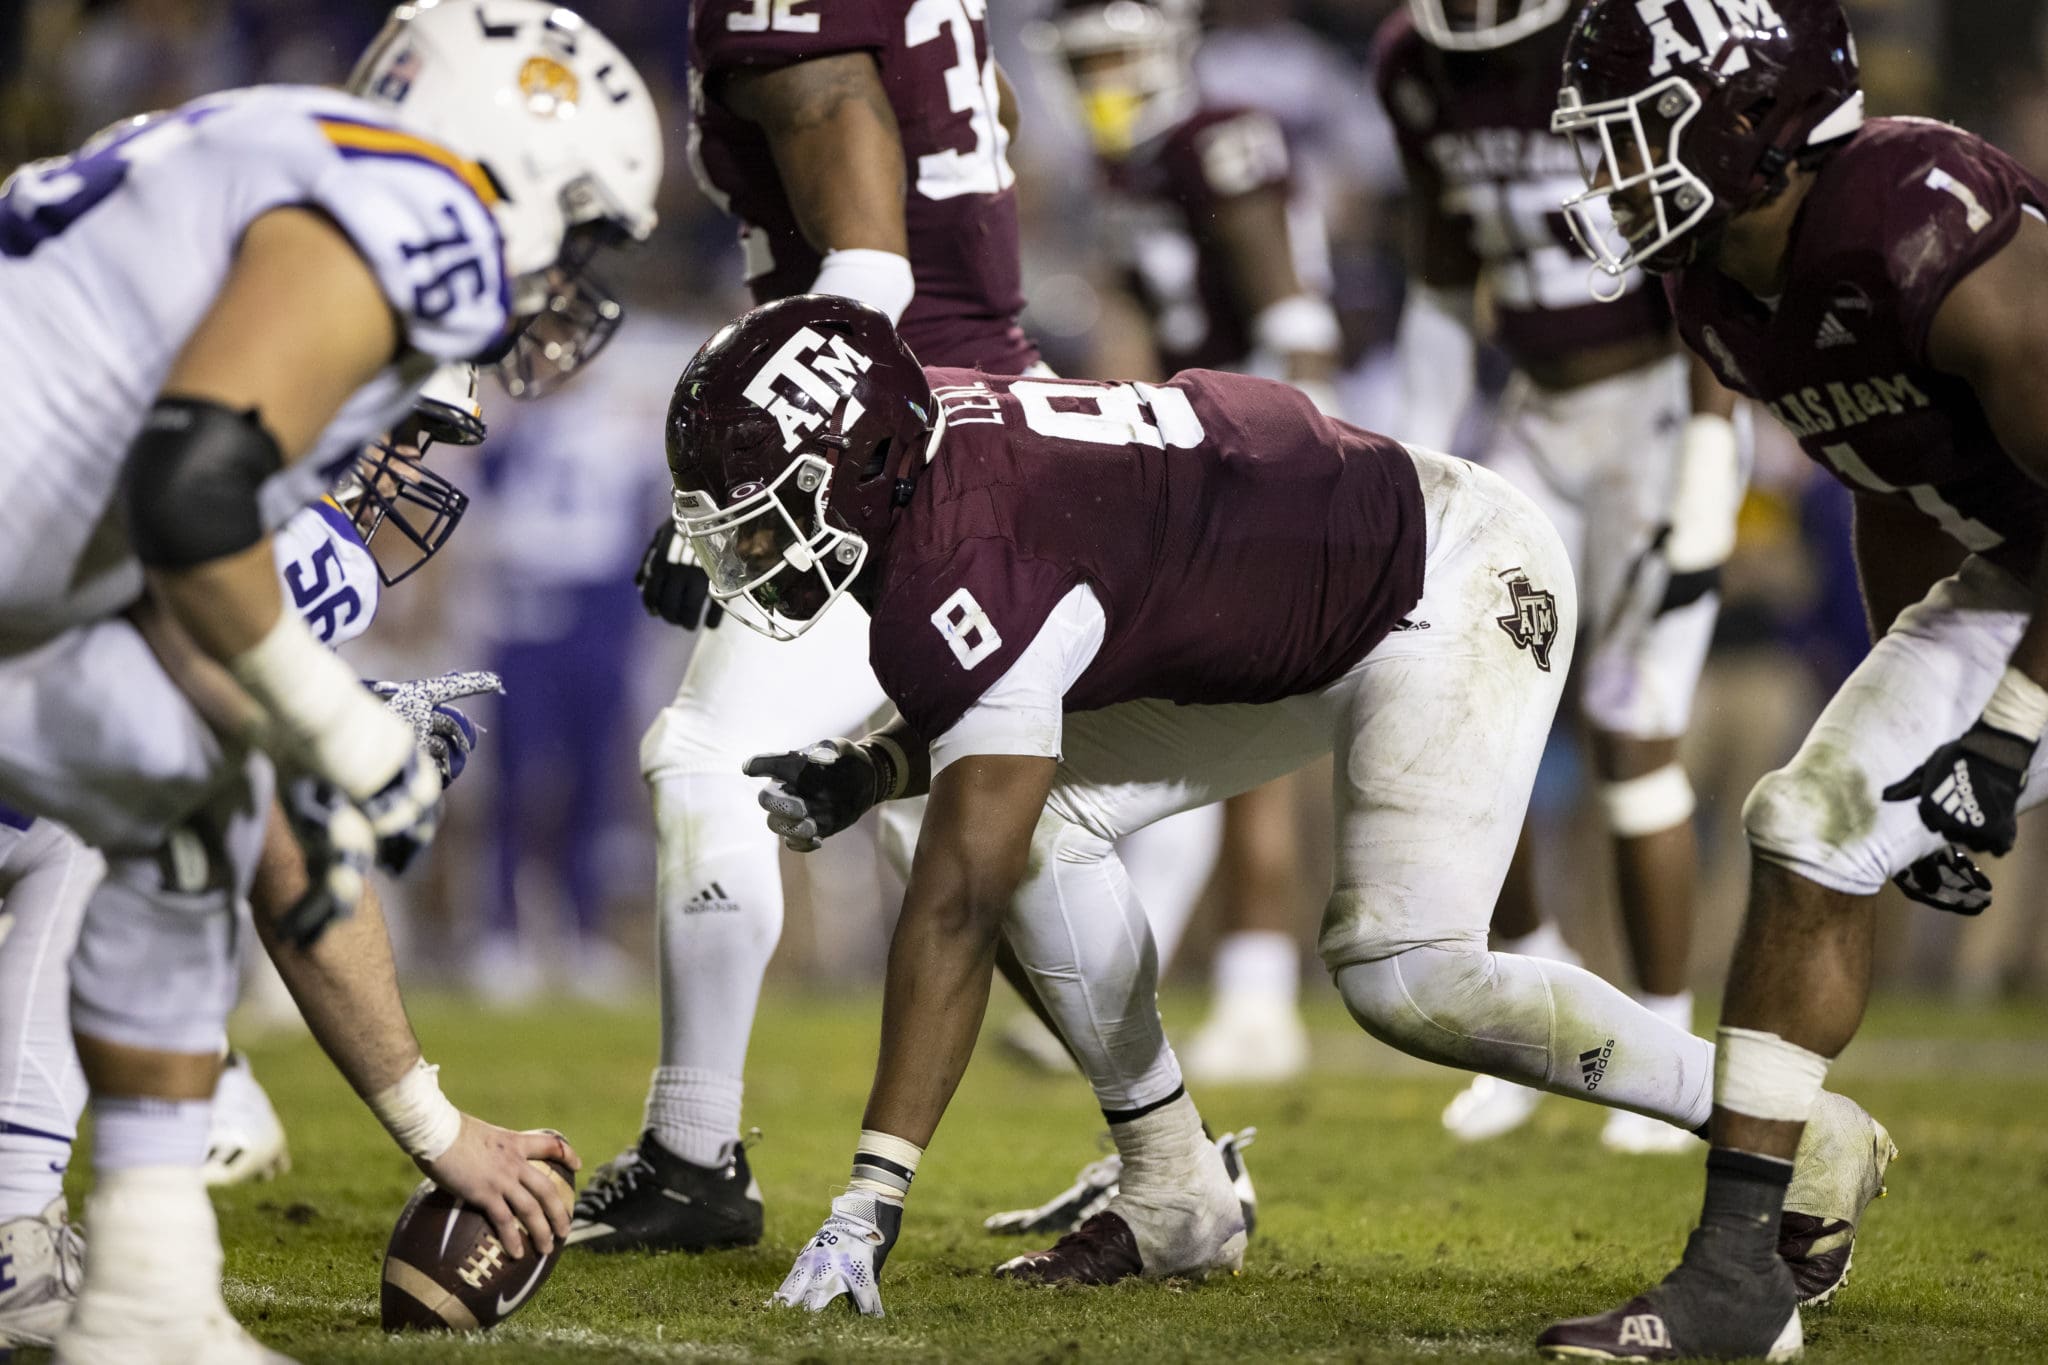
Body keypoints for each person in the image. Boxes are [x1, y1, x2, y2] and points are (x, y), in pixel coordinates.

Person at [662, 294, 1886, 1316]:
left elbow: (956, 904)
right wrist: (876, 764)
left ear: (867, 462)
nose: (753, 557)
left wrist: (866, 1201)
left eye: (765, 518)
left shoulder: (964, 541)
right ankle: (1174, 1192)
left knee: (1404, 972)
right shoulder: (938, 465)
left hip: (1441, 579)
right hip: (1299, 608)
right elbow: (1015, 676)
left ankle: (1796, 1132)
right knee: (965, 820)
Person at [0, 1, 661, 1358]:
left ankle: (139, 1289)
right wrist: (326, 730)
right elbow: (192, 504)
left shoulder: (264, 147)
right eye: (580, 225)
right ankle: (35, 1245)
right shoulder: (400, 195)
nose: (566, 281)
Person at [1539, 0, 2048, 1356]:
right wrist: (1906, 737)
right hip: (2021, 569)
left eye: (1636, 133)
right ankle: (1738, 1278)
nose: (1608, 172)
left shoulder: (1919, 223)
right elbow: (1894, 486)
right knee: (1814, 824)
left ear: (1753, 119)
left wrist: (2007, 725)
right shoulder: (1713, 290)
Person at [573, 0, 1045, 1255]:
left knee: (705, 759)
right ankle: (1168, 1166)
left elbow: (874, 266)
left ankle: (691, 1153)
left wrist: (737, 482)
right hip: (987, 406)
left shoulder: (784, 11)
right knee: (998, 814)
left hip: (891, 437)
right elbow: (990, 132)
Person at [0, 372, 490, 1349]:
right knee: (131, 811)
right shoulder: (309, 544)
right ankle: (13, 1227)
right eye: (400, 431)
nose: (401, 467)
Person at [1377, 0, 1745, 1153]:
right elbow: (1442, 277)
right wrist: (1412, 458)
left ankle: (1671, 1049)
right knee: (1468, 710)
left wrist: (1704, 452)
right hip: (1535, 412)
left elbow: (1700, 258)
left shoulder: (1626, 35)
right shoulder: (1411, 59)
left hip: (1656, 409)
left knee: (1633, 722)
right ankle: (1533, 1006)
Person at [1027, 0, 1348, 1085]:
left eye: (1119, 55)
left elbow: (1295, 324)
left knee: (1230, 729)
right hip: (1191, 447)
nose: (1104, 79)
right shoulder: (1131, 168)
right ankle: (1171, 989)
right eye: (1086, 63)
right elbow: (1129, 326)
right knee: (1193, 724)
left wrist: (1279, 473)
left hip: (1267, 446)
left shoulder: (1220, 141)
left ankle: (1235, 996)